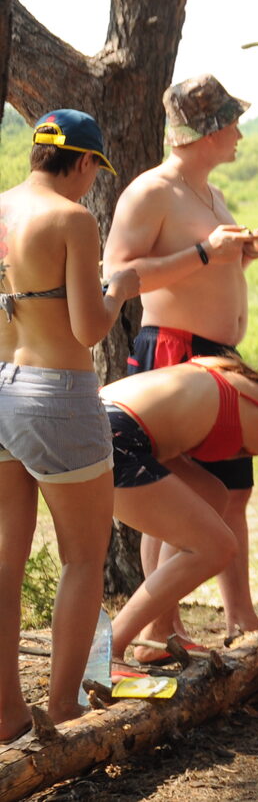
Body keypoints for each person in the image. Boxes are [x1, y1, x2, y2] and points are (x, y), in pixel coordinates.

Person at [104, 74, 258, 646]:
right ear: (206, 130)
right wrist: (205, 253)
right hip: (175, 351)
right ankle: (157, 628)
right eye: (232, 123)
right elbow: (116, 277)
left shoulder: (211, 195)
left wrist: (234, 259)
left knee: (231, 490)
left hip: (218, 356)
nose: (240, 135)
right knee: (171, 483)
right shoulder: (151, 190)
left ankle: (238, 617)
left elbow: (204, 268)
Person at [0, 111, 139, 737]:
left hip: (0, 385)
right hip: (55, 392)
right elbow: (88, 328)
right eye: (93, 170)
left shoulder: (2, 207)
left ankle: (5, 711)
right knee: (85, 557)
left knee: (6, 554)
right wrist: (120, 290)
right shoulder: (73, 220)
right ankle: (60, 706)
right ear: (83, 162)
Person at [99, 349, 258, 662]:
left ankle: (158, 630)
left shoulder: (231, 369)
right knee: (218, 547)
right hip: (113, 438)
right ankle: (106, 649)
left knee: (212, 494)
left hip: (97, 417)